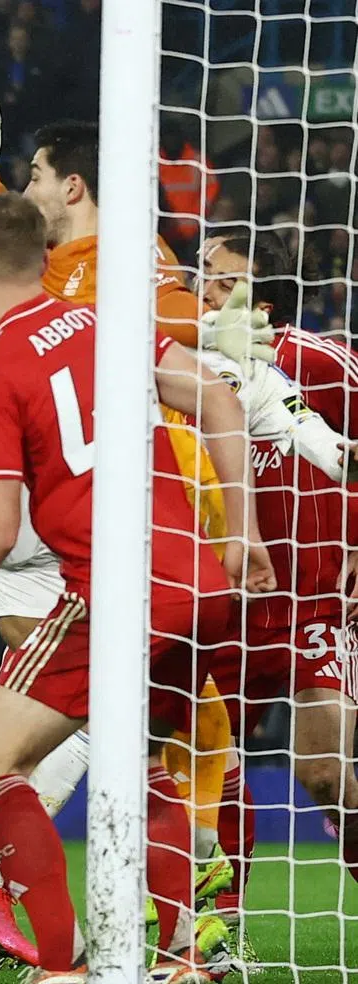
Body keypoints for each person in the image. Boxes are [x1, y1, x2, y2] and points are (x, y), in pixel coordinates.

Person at [0, 192, 272, 984]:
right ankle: (182, 952)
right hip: (196, 579)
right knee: (142, 763)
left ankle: (60, 965)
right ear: (46, 255)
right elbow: (225, 404)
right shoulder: (105, 324)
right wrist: (243, 534)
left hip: (115, 592)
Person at [198, 227, 358, 926]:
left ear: (258, 294)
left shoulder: (318, 361)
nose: (202, 285)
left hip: (311, 603)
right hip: (223, 605)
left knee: (323, 776)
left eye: (218, 275)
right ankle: (219, 930)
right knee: (210, 769)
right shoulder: (186, 358)